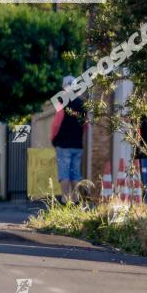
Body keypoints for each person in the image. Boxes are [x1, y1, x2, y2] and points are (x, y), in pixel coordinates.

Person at [51, 75, 87, 204]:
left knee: (64, 173)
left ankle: (65, 199)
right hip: (77, 145)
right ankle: (76, 199)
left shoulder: (62, 103)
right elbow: (85, 124)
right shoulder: (82, 104)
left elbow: (57, 123)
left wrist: (53, 138)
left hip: (63, 144)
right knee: (75, 173)